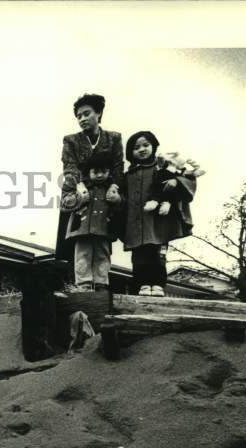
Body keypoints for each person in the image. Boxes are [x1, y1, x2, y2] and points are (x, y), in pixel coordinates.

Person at [122, 130, 198, 296]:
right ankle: (142, 285)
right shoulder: (127, 175)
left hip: (158, 222)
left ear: (153, 146)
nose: (142, 149)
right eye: (136, 147)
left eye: (146, 145)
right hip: (136, 223)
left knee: (158, 253)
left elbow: (187, 178)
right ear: (130, 152)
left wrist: (175, 182)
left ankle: (157, 284)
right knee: (139, 255)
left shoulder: (162, 168)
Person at [56, 93, 124, 265]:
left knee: (102, 240)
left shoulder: (113, 138)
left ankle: (100, 281)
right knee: (75, 238)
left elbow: (117, 165)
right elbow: (69, 166)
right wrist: (78, 187)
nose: (82, 119)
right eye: (79, 116)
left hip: (104, 192)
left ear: (99, 113)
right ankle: (76, 282)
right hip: (79, 190)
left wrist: (114, 186)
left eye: (87, 114)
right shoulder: (71, 140)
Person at [60, 154, 121, 290]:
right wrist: (79, 197)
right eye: (95, 172)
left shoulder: (112, 189)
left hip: (104, 228)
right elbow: (65, 204)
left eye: (104, 172)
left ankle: (101, 282)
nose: (100, 175)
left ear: (109, 172)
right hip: (82, 228)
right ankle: (83, 284)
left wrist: (117, 199)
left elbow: (121, 206)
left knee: (102, 255)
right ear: (88, 172)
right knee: (82, 255)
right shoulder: (80, 188)